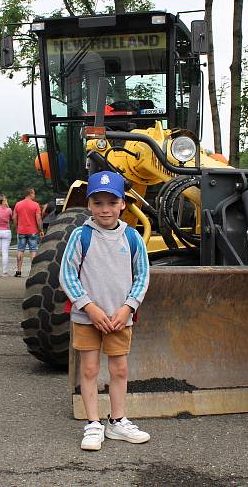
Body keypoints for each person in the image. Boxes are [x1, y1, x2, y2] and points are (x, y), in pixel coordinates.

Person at [59, 171, 151, 451]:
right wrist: (89, 307)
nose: (105, 209)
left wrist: (127, 308)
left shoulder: (132, 238)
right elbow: (67, 274)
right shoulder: (80, 236)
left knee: (119, 369)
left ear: (123, 204)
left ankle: (118, 421)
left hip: (119, 319)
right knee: (89, 369)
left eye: (112, 202)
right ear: (89, 205)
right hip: (88, 319)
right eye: (98, 203)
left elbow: (142, 276)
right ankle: (93, 423)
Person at [12, 187, 44, 277]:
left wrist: (16, 227)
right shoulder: (35, 205)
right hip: (32, 231)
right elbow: (38, 219)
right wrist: (41, 230)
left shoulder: (18, 204)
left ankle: (18, 271)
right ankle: (33, 272)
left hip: (21, 230)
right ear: (30, 194)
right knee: (33, 251)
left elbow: (14, 217)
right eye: (34, 193)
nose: (34, 195)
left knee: (20, 250)